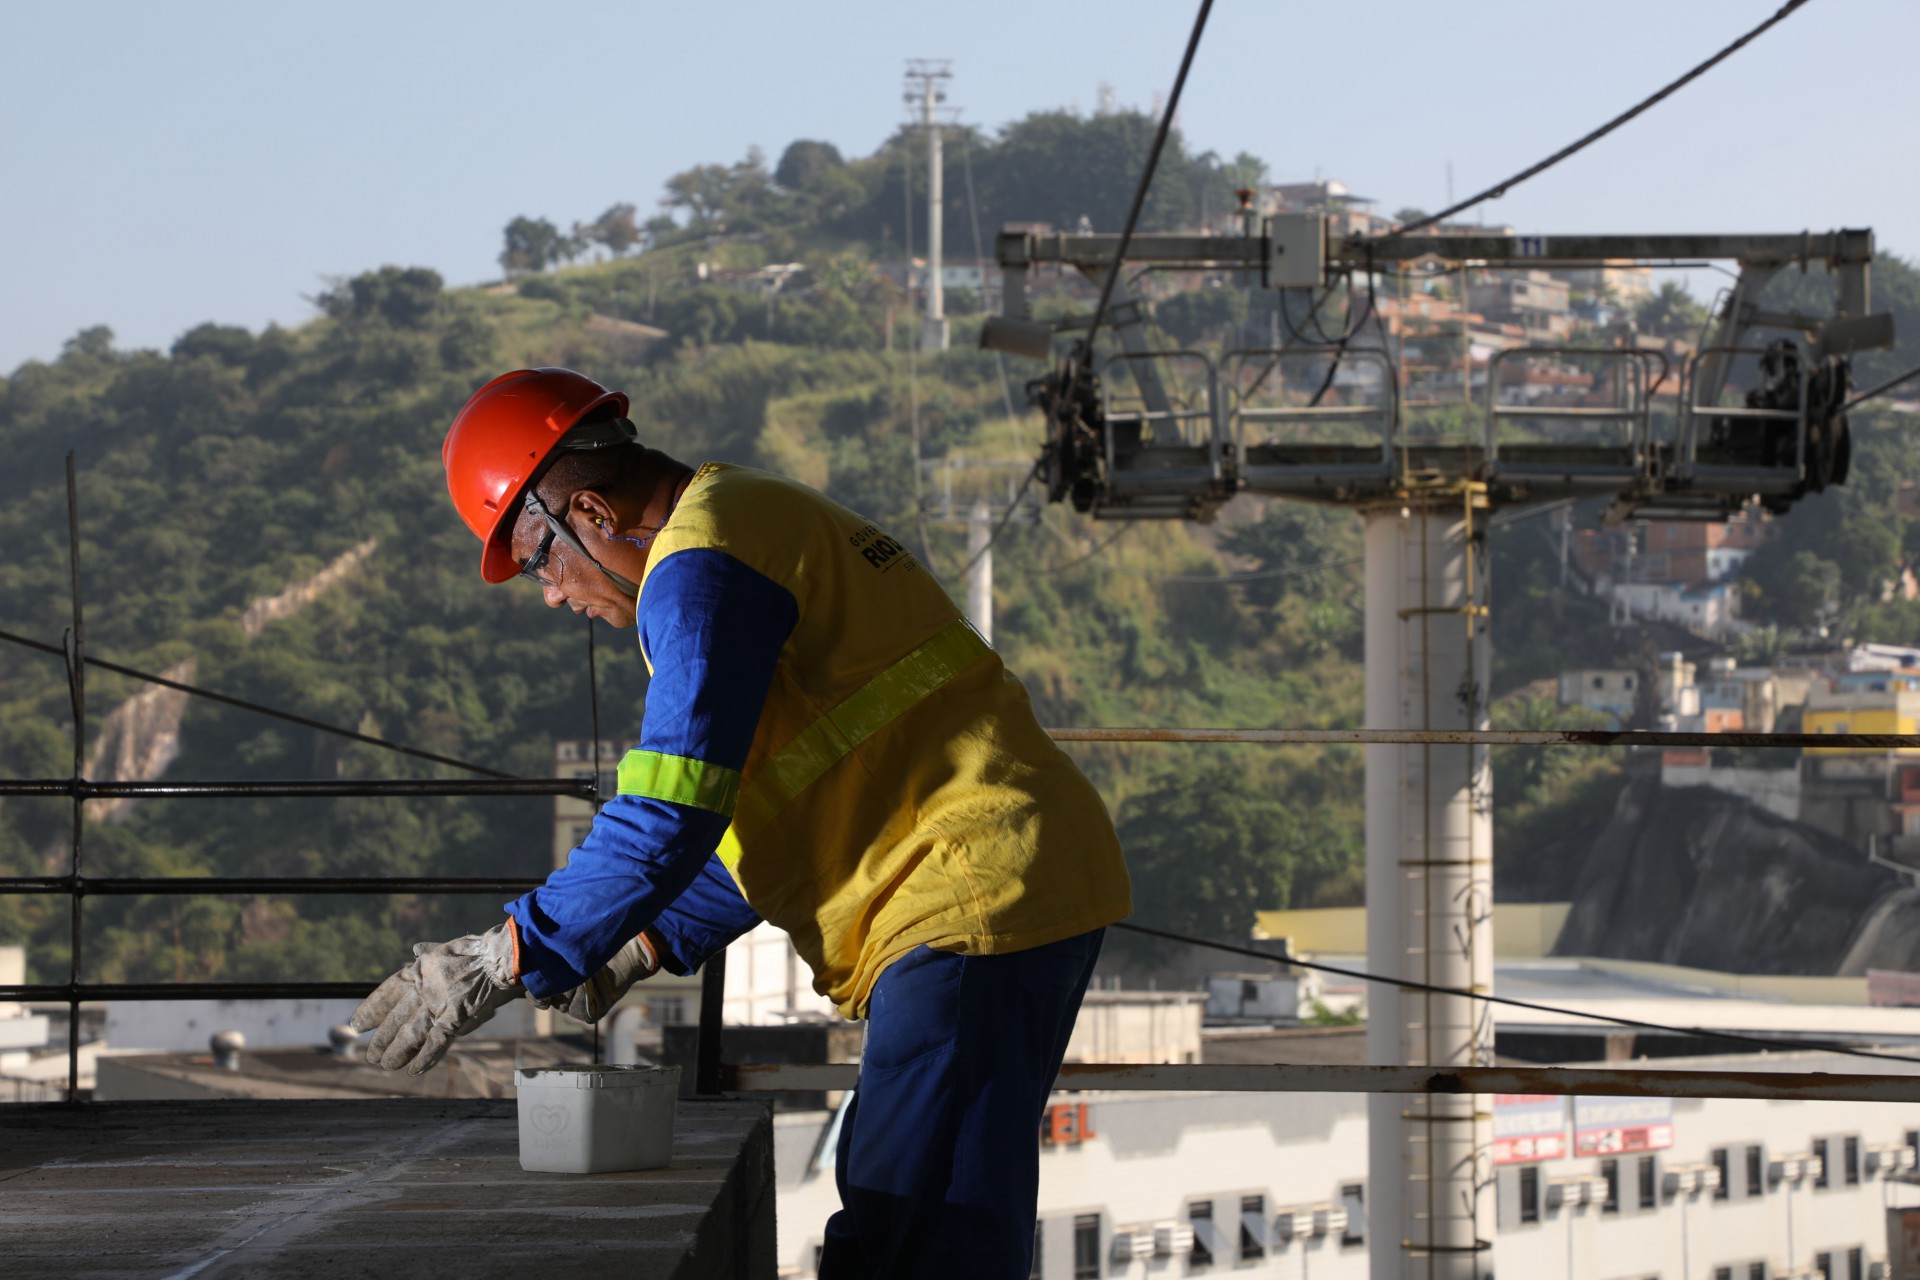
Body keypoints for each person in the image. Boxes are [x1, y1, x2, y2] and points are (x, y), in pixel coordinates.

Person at [352, 367, 1131, 1278]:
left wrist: (510, 952)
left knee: (910, 1242)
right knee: (923, 1224)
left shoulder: (699, 567)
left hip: (959, 897)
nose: (554, 595)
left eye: (539, 563)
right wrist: (643, 942)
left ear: (591, 512)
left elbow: (671, 807)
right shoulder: (748, 515)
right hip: (996, 879)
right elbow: (786, 795)